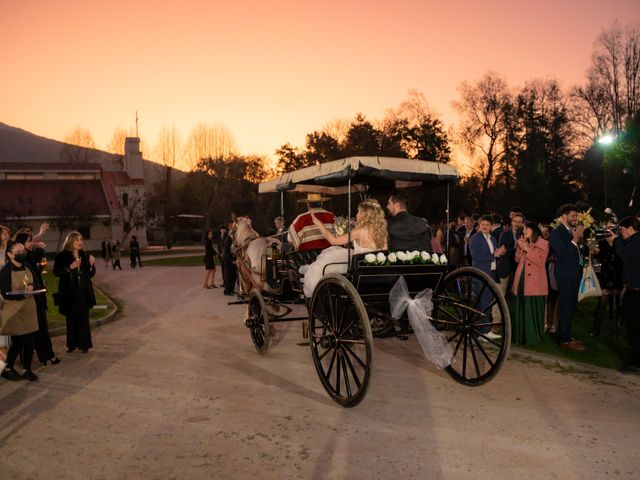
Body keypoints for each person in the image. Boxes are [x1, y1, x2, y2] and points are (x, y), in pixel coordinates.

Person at [302, 199, 387, 297]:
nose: (357, 214)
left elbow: (333, 241)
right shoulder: (382, 233)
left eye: (359, 211)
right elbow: (384, 253)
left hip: (359, 271)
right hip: (376, 272)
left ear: (365, 214)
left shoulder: (359, 232)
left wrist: (319, 224)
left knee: (323, 266)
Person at [13, 232, 60, 366]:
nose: (31, 244)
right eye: (29, 241)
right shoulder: (25, 257)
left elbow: (40, 261)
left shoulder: (27, 256)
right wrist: (38, 246)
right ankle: (46, 356)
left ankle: (45, 356)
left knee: (41, 328)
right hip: (33, 297)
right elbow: (39, 254)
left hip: (37, 294)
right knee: (39, 328)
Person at [549, 204, 588, 351]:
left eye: (576, 216)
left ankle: (567, 336)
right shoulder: (556, 233)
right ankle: (564, 340)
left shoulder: (573, 231)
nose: (575, 218)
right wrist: (575, 238)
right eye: (573, 216)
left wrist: (582, 242)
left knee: (571, 306)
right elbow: (561, 254)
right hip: (564, 274)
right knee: (565, 306)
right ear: (563, 216)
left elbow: (580, 251)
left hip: (575, 273)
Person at [0, 241, 40, 381]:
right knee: (17, 342)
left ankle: (27, 369)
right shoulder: (5, 270)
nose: (22, 253)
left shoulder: (28, 266)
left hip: (29, 309)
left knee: (30, 342)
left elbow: (37, 283)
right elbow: (5, 292)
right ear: (10, 254)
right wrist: (23, 293)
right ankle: (8, 368)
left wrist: (32, 286)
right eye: (18, 252)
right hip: (14, 310)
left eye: (23, 251)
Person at [606, 216, 640, 374]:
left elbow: (626, 254)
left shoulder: (636, 241)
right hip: (632, 290)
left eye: (621, 230)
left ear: (630, 228)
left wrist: (614, 241)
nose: (620, 234)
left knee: (635, 328)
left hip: (636, 293)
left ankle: (637, 363)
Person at [54, 231, 96, 353]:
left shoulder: (85, 255)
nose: (80, 242)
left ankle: (84, 344)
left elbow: (90, 274)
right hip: (69, 293)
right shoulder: (62, 256)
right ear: (70, 241)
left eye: (81, 240)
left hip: (83, 292)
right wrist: (69, 267)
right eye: (77, 240)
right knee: (71, 319)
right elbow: (56, 272)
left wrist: (91, 265)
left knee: (83, 319)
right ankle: (71, 344)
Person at [511, 222, 549, 346]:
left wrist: (527, 249)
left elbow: (540, 262)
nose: (524, 231)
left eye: (526, 228)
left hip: (535, 283)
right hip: (521, 279)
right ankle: (519, 336)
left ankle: (533, 337)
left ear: (534, 230)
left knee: (532, 308)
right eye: (524, 229)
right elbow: (517, 259)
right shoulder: (524, 242)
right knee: (521, 307)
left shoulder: (544, 244)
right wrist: (520, 247)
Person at [469, 215, 506, 339]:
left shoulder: (493, 238)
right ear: (479, 225)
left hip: (492, 273)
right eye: (483, 224)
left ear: (491, 227)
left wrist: (499, 254)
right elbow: (476, 256)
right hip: (481, 273)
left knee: (488, 302)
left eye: (488, 225)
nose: (485, 226)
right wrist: (494, 254)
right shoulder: (475, 238)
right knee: (482, 302)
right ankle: (482, 331)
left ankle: (486, 330)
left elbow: (493, 255)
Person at [591, 219, 623, 337]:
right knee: (602, 304)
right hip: (605, 276)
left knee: (618, 306)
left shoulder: (620, 242)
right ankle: (596, 330)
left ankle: (617, 332)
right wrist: (595, 251)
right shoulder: (602, 242)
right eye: (607, 229)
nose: (609, 231)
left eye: (611, 229)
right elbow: (598, 256)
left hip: (618, 275)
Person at [496, 213, 524, 298]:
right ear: (511, 222)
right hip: (505, 267)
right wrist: (516, 246)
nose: (516, 223)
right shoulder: (505, 234)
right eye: (515, 221)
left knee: (518, 294)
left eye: (519, 222)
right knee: (500, 293)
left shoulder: (524, 234)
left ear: (522, 223)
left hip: (518, 268)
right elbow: (502, 252)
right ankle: (496, 311)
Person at [0, 224, 11, 358]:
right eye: (4, 234)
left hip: (5, 287)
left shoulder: (8, 251)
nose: (7, 236)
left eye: (8, 233)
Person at [221, 222, 237, 296]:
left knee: (233, 276)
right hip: (228, 260)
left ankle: (231, 290)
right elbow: (226, 251)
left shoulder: (232, 239)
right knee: (228, 276)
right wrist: (232, 261)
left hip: (232, 260)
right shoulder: (228, 240)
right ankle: (227, 291)